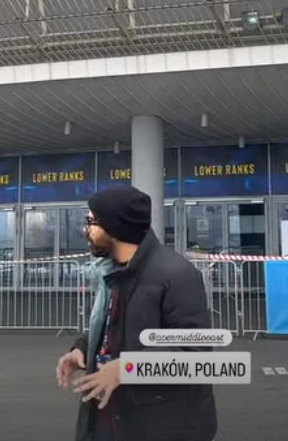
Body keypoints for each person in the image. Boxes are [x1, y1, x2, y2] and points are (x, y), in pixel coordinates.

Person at [56, 186, 217, 441]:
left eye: (91, 221)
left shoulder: (177, 275)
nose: (85, 230)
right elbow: (111, 326)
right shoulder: (110, 271)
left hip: (162, 426)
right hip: (108, 418)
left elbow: (194, 355)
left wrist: (126, 368)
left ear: (115, 228)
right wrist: (82, 348)